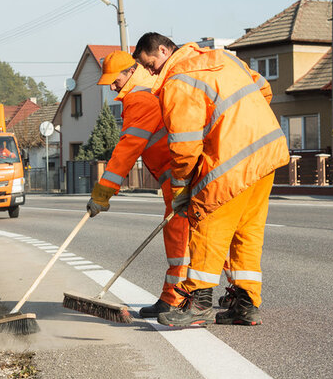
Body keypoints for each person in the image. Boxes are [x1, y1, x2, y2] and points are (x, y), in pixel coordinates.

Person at [133, 32, 289, 327]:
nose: (151, 71)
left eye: (150, 63)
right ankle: (246, 305)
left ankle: (199, 304)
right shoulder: (223, 59)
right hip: (267, 151)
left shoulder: (178, 81)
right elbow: (263, 90)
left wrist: (180, 190)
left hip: (230, 160)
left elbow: (184, 146)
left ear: (164, 50)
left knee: (207, 226)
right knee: (247, 232)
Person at [86, 50, 190, 317]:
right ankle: (237, 295)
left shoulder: (140, 99)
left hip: (180, 179)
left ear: (131, 72)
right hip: (187, 176)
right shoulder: (152, 90)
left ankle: (174, 299)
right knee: (208, 236)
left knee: (179, 240)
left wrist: (103, 193)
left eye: (114, 80)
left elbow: (127, 150)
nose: (111, 86)